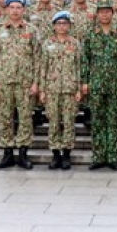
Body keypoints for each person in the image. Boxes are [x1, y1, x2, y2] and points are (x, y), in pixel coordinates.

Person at [82, 0, 117, 170]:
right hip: (96, 83)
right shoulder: (90, 35)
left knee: (114, 121)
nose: (104, 14)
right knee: (97, 120)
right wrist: (84, 81)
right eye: (101, 12)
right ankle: (98, 156)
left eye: (107, 11)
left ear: (112, 13)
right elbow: (85, 60)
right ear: (96, 14)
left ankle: (113, 157)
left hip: (116, 84)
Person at [0, 0, 40, 169]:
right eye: (12, 7)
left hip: (25, 81)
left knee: (25, 117)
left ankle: (23, 153)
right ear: (6, 9)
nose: (15, 10)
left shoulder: (32, 30)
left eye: (19, 7)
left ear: (24, 10)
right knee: (4, 117)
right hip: (4, 80)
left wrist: (36, 82)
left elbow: (37, 57)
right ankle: (7, 153)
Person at [38, 11, 82, 170]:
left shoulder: (75, 44)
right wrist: (42, 90)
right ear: (54, 26)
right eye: (58, 23)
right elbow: (43, 67)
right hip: (51, 89)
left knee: (69, 122)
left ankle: (66, 155)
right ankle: (56, 155)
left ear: (69, 26)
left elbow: (78, 67)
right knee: (54, 123)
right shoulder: (47, 43)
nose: (62, 26)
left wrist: (78, 89)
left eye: (65, 23)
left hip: (70, 89)